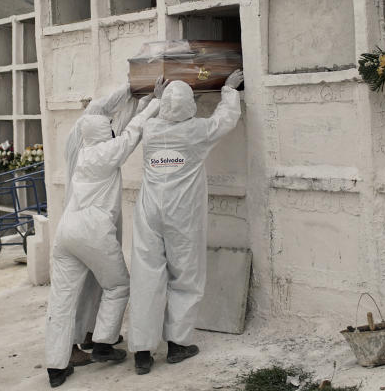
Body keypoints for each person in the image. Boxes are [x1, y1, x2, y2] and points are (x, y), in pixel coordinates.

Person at [44, 78, 167, 388]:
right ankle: (102, 343)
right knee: (118, 286)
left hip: (66, 232)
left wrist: (138, 98)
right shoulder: (107, 152)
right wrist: (156, 100)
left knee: (61, 301)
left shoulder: (83, 152)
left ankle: (56, 368)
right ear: (105, 132)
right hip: (92, 231)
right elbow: (134, 130)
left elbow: (122, 128)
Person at [127, 70, 244, 375]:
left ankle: (142, 351)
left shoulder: (151, 130)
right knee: (186, 276)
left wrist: (154, 97)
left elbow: (140, 118)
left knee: (145, 277)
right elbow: (225, 121)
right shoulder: (196, 131)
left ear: (165, 106)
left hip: (149, 212)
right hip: (182, 215)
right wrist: (229, 90)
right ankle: (178, 345)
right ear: (190, 106)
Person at [61, 84, 150, 367]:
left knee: (101, 282)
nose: (112, 118)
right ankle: (73, 344)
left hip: (89, 219)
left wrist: (140, 99)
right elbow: (124, 133)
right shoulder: (86, 134)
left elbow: (118, 130)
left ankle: (91, 334)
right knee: (90, 284)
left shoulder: (92, 137)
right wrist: (133, 90)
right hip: (89, 221)